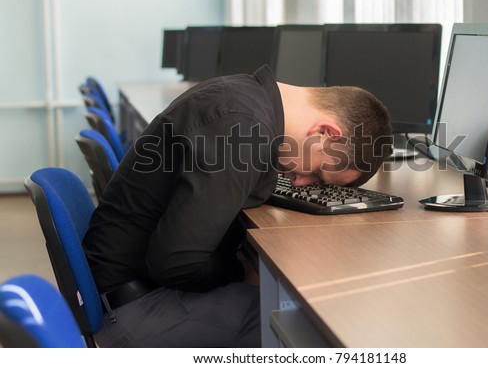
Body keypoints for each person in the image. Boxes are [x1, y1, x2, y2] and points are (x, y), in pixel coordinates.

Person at [83, 65, 392, 347]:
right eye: (317, 173)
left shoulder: (245, 97)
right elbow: (176, 263)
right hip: (134, 312)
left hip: (124, 288)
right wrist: (240, 269)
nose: (301, 183)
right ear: (326, 133)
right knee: (306, 332)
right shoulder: (244, 127)